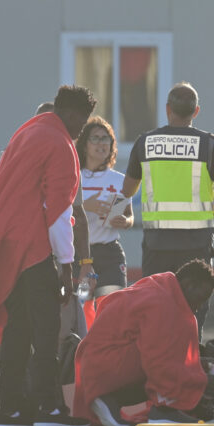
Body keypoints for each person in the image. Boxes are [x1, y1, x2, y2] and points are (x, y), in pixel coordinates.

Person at [0, 85, 96, 426]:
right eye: (82, 121)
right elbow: (57, 211)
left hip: (6, 247)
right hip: (34, 250)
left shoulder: (27, 132)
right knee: (47, 330)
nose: (82, 129)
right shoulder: (61, 145)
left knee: (17, 329)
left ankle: (9, 410)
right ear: (71, 114)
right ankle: (48, 409)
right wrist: (67, 265)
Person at [0, 102, 95, 388]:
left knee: (12, 330)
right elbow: (76, 218)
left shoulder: (27, 158)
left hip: (21, 257)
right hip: (29, 259)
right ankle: (12, 397)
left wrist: (84, 264)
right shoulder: (21, 159)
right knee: (26, 331)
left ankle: (0, 396)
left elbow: (77, 216)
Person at [121, 81, 214, 340]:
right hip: (196, 247)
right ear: (196, 111)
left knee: (155, 311)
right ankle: (189, 369)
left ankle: (155, 372)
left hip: (156, 246)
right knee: (192, 314)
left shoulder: (145, 142)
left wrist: (119, 217)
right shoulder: (210, 145)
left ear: (167, 108)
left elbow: (126, 191)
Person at [73, 259, 214, 426]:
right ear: (189, 285)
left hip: (99, 368)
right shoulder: (163, 304)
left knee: (165, 359)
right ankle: (165, 410)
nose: (199, 307)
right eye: (201, 298)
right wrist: (202, 380)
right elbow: (159, 362)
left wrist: (198, 365)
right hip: (104, 369)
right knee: (162, 364)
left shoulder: (159, 287)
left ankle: (109, 399)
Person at [75, 116, 132, 299]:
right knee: (81, 309)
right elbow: (58, 213)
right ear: (85, 145)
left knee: (111, 309)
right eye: (95, 138)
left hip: (110, 254)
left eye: (105, 138)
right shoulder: (75, 176)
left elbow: (130, 216)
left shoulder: (119, 179)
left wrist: (125, 221)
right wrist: (84, 205)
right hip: (79, 255)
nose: (101, 143)